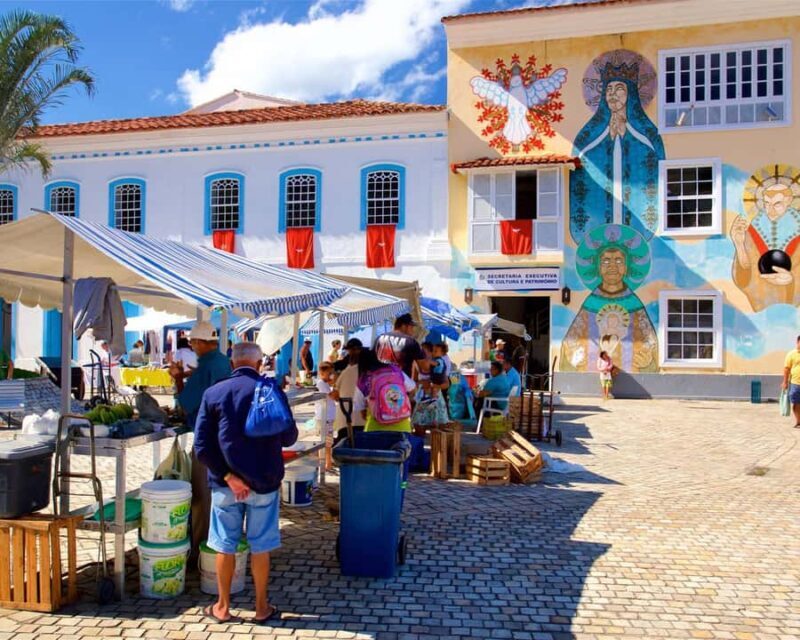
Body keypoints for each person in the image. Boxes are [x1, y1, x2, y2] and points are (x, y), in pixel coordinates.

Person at [194, 342, 298, 625]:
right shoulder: (271, 391)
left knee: (224, 545)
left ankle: (223, 607)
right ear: (260, 363)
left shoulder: (213, 393)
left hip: (225, 483)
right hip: (264, 481)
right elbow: (289, 438)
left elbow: (201, 446)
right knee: (260, 546)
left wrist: (230, 477)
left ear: (232, 363)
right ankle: (262, 606)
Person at [169, 321, 232, 561]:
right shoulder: (222, 361)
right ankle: (223, 540)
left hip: (207, 437)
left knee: (201, 495)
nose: (192, 346)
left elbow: (185, 403)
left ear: (200, 342)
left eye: (193, 342)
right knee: (222, 493)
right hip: (226, 436)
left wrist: (177, 378)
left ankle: (202, 551)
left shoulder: (206, 365)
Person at [731, 180, 800, 311]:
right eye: (767, 204)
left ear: (789, 200)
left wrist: (792, 279)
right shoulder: (754, 229)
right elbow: (745, 271)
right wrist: (739, 244)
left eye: (777, 204)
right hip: (762, 304)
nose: (771, 210)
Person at [354, 349, 416, 433]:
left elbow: (361, 410)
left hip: (375, 429)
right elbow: (413, 388)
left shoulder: (364, 379)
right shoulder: (396, 371)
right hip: (402, 426)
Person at [374, 313, 430, 377]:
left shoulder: (380, 338)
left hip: (380, 380)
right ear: (403, 326)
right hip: (399, 382)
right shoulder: (411, 342)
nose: (412, 330)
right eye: (411, 327)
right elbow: (425, 367)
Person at [332, 338, 365, 442]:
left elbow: (335, 395)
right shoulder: (368, 371)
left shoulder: (347, 371)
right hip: (361, 420)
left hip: (347, 420)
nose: (349, 353)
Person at [315, 362, 337, 468]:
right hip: (325, 417)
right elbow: (333, 396)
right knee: (326, 441)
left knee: (327, 440)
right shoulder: (321, 384)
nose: (331, 375)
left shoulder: (325, 384)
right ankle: (326, 463)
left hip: (327, 416)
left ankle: (326, 462)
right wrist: (337, 384)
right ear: (322, 373)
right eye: (329, 373)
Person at [782, 335, 800, 428]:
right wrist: (784, 382)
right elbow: (786, 369)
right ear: (797, 342)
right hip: (795, 383)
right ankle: (798, 421)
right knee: (795, 402)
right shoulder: (791, 354)